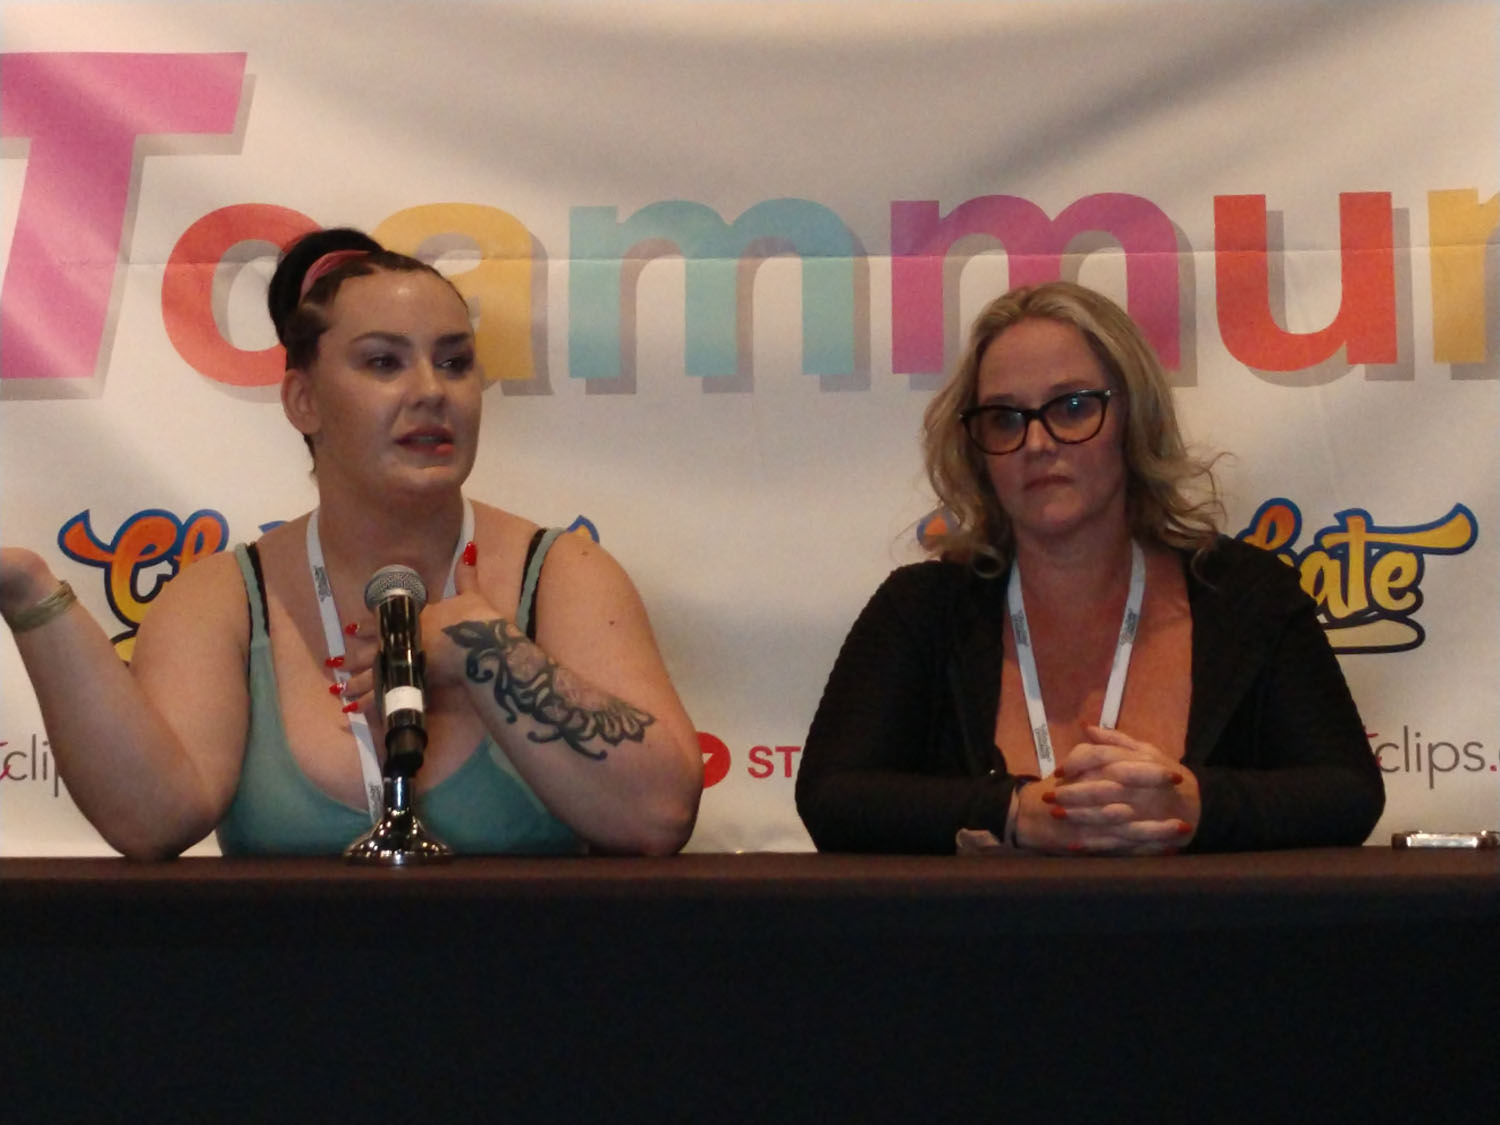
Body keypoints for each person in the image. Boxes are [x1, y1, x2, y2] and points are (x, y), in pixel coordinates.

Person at [0, 228, 702, 858]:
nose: (431, 391)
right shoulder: (222, 596)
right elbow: (152, 820)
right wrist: (29, 592)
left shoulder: (562, 573)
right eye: (384, 363)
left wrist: (489, 651)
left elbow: (659, 815)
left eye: (455, 362)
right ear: (303, 401)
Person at [796, 281, 1383, 854]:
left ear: (1134, 418)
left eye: (1073, 408)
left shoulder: (1242, 594)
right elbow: (831, 797)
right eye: (1005, 418)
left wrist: (1196, 806)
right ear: (976, 449)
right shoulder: (924, 607)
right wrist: (1014, 813)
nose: (1036, 443)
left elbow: (1347, 793)